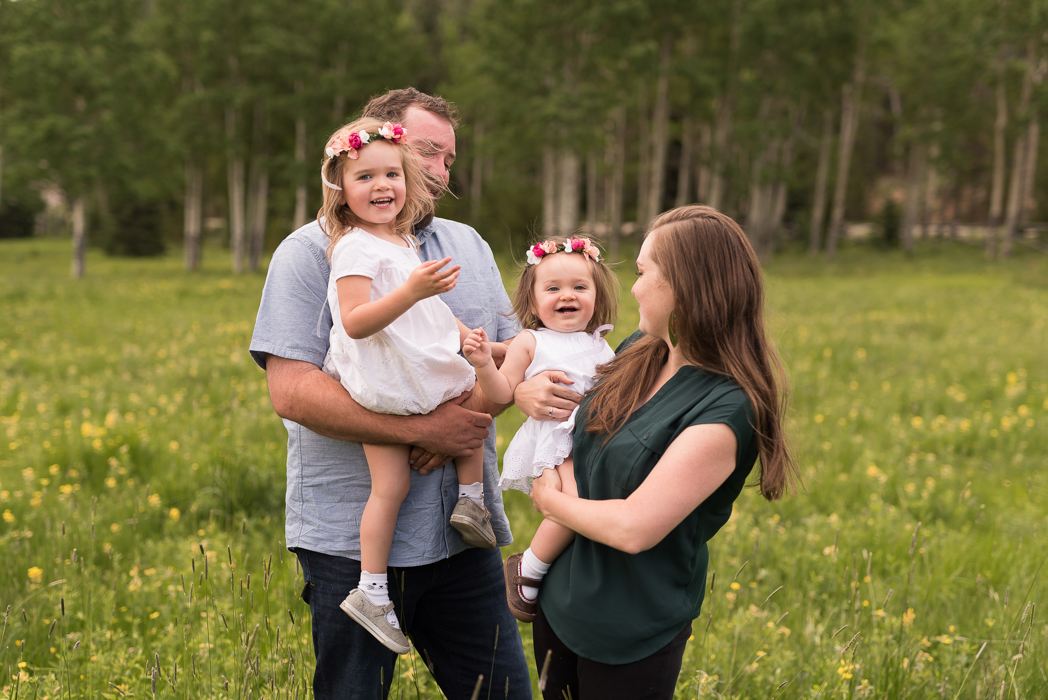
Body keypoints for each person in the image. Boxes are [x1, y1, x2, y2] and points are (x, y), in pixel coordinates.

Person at [249, 88, 533, 699]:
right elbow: (293, 391)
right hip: (351, 542)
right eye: (426, 151)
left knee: (504, 694)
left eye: (448, 159)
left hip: (464, 533)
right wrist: (419, 431)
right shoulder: (311, 252)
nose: (438, 171)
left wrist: (466, 416)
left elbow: (504, 360)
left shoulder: (468, 246)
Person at [528, 205, 799, 700]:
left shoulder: (726, 407)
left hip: (629, 633)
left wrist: (550, 501)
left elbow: (634, 528)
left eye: (641, 272)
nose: (631, 287)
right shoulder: (640, 350)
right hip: (559, 607)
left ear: (684, 286)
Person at [315, 116, 506, 653]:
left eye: (392, 175)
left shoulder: (397, 241)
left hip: (405, 372)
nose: (382, 187)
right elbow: (355, 320)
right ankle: (372, 589)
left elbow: (420, 316)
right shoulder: (353, 246)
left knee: (462, 395)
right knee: (390, 486)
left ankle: (470, 501)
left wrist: (454, 326)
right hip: (381, 384)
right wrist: (416, 291)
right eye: (365, 178)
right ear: (341, 190)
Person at [461, 237, 617, 623]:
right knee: (576, 500)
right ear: (532, 302)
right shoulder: (531, 341)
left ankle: (580, 575)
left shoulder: (602, 345)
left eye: (580, 287)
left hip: (596, 439)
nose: (568, 295)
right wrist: (484, 364)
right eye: (553, 288)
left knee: (596, 500)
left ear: (596, 296)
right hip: (558, 439)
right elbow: (504, 391)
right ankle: (528, 568)